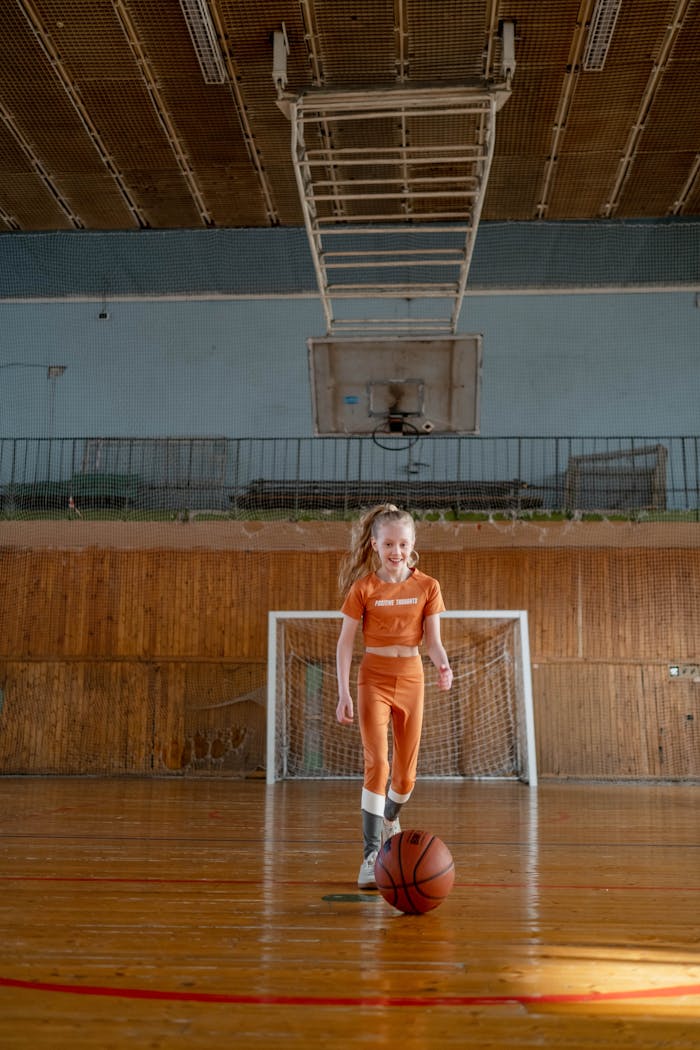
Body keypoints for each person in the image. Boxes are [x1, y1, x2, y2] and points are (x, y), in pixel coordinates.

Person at [335, 503, 453, 889]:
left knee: (404, 777)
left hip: (412, 679)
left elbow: (433, 642)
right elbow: (344, 644)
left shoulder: (428, 587)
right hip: (373, 680)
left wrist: (443, 665)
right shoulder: (363, 589)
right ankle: (370, 856)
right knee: (378, 767)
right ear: (374, 545)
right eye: (388, 544)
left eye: (403, 544)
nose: (396, 551)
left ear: (413, 545)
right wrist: (343, 693)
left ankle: (390, 817)